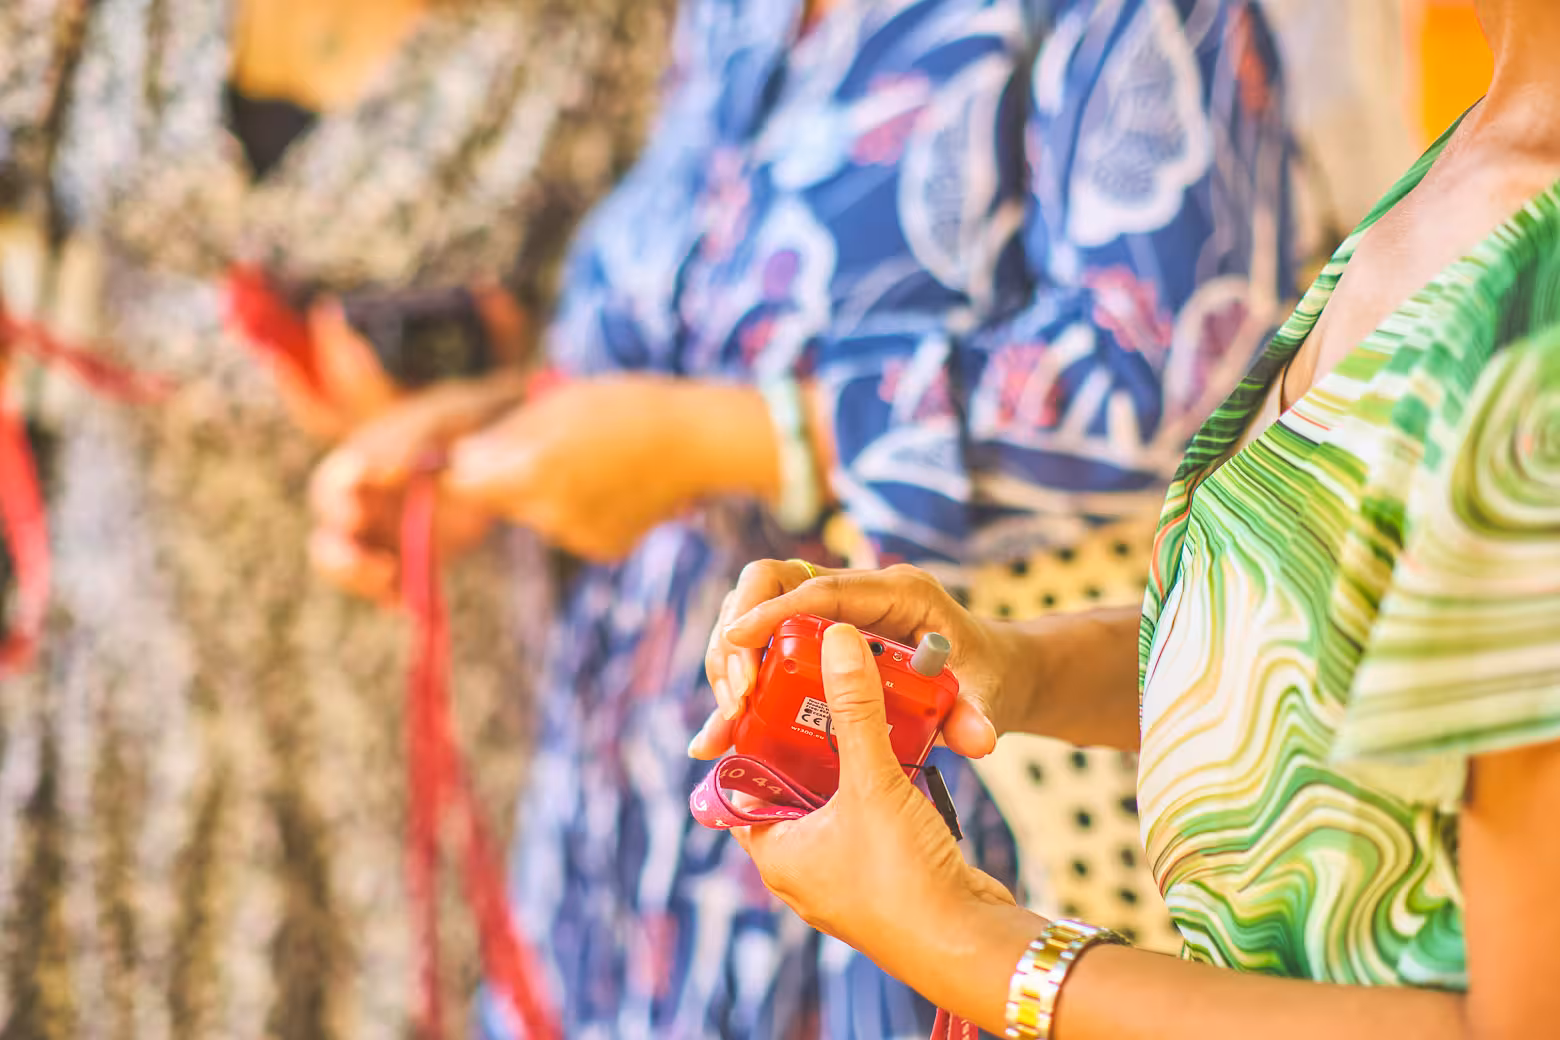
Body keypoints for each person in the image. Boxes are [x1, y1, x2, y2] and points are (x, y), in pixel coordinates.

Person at [310, 0, 1295, 1033]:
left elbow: (1167, 373)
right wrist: (495, 433)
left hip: (911, 768)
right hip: (633, 803)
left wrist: (739, 438)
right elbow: (690, 339)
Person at [697, 0, 1560, 1033]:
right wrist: (1014, 666)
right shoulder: (1475, 161)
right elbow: (1333, 656)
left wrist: (967, 941)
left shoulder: (1540, 304)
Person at [0, 0, 667, 1035]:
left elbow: (662, 345)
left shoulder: (612, 28)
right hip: (118, 673)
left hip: (409, 708)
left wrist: (495, 418)